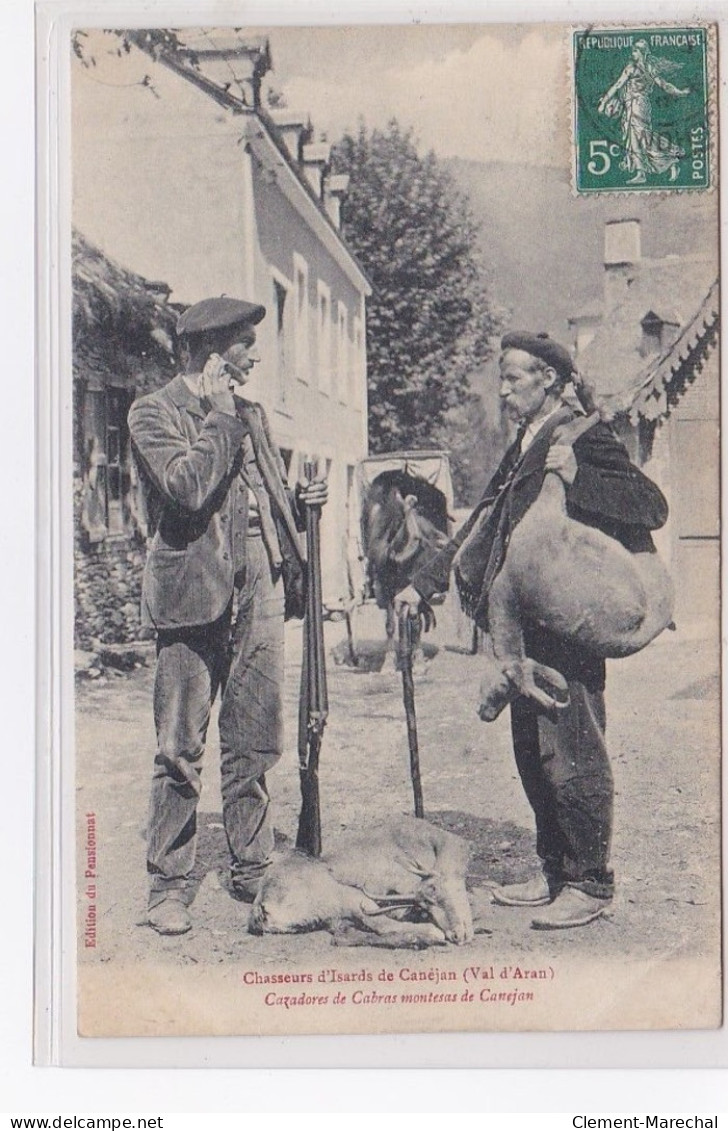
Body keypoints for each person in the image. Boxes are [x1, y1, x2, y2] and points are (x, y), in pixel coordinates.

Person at [394, 331, 668, 930]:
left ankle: (591, 883)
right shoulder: (524, 443)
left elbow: (652, 506)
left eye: (514, 376)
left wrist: (580, 478)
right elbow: (482, 521)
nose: (503, 387)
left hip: (567, 628)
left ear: (547, 378)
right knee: (533, 753)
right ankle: (554, 872)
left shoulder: (582, 436)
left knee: (572, 751)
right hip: (524, 629)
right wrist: (424, 583)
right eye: (503, 375)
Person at [128, 296, 327, 935]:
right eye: (245, 344)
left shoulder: (252, 413)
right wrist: (217, 419)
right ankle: (169, 885)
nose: (256, 355)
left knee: (256, 735)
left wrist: (300, 501)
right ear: (211, 350)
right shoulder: (152, 411)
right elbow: (186, 488)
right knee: (180, 744)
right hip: (192, 593)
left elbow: (263, 491)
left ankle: (251, 867)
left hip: (260, 582)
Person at [597, 40, 689, 185]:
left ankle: (642, 173)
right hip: (643, 105)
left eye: (635, 51)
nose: (632, 53)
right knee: (645, 137)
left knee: (636, 138)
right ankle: (671, 158)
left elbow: (617, 85)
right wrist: (680, 92)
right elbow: (665, 85)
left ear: (641, 53)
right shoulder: (650, 68)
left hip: (635, 105)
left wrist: (603, 102)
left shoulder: (631, 68)